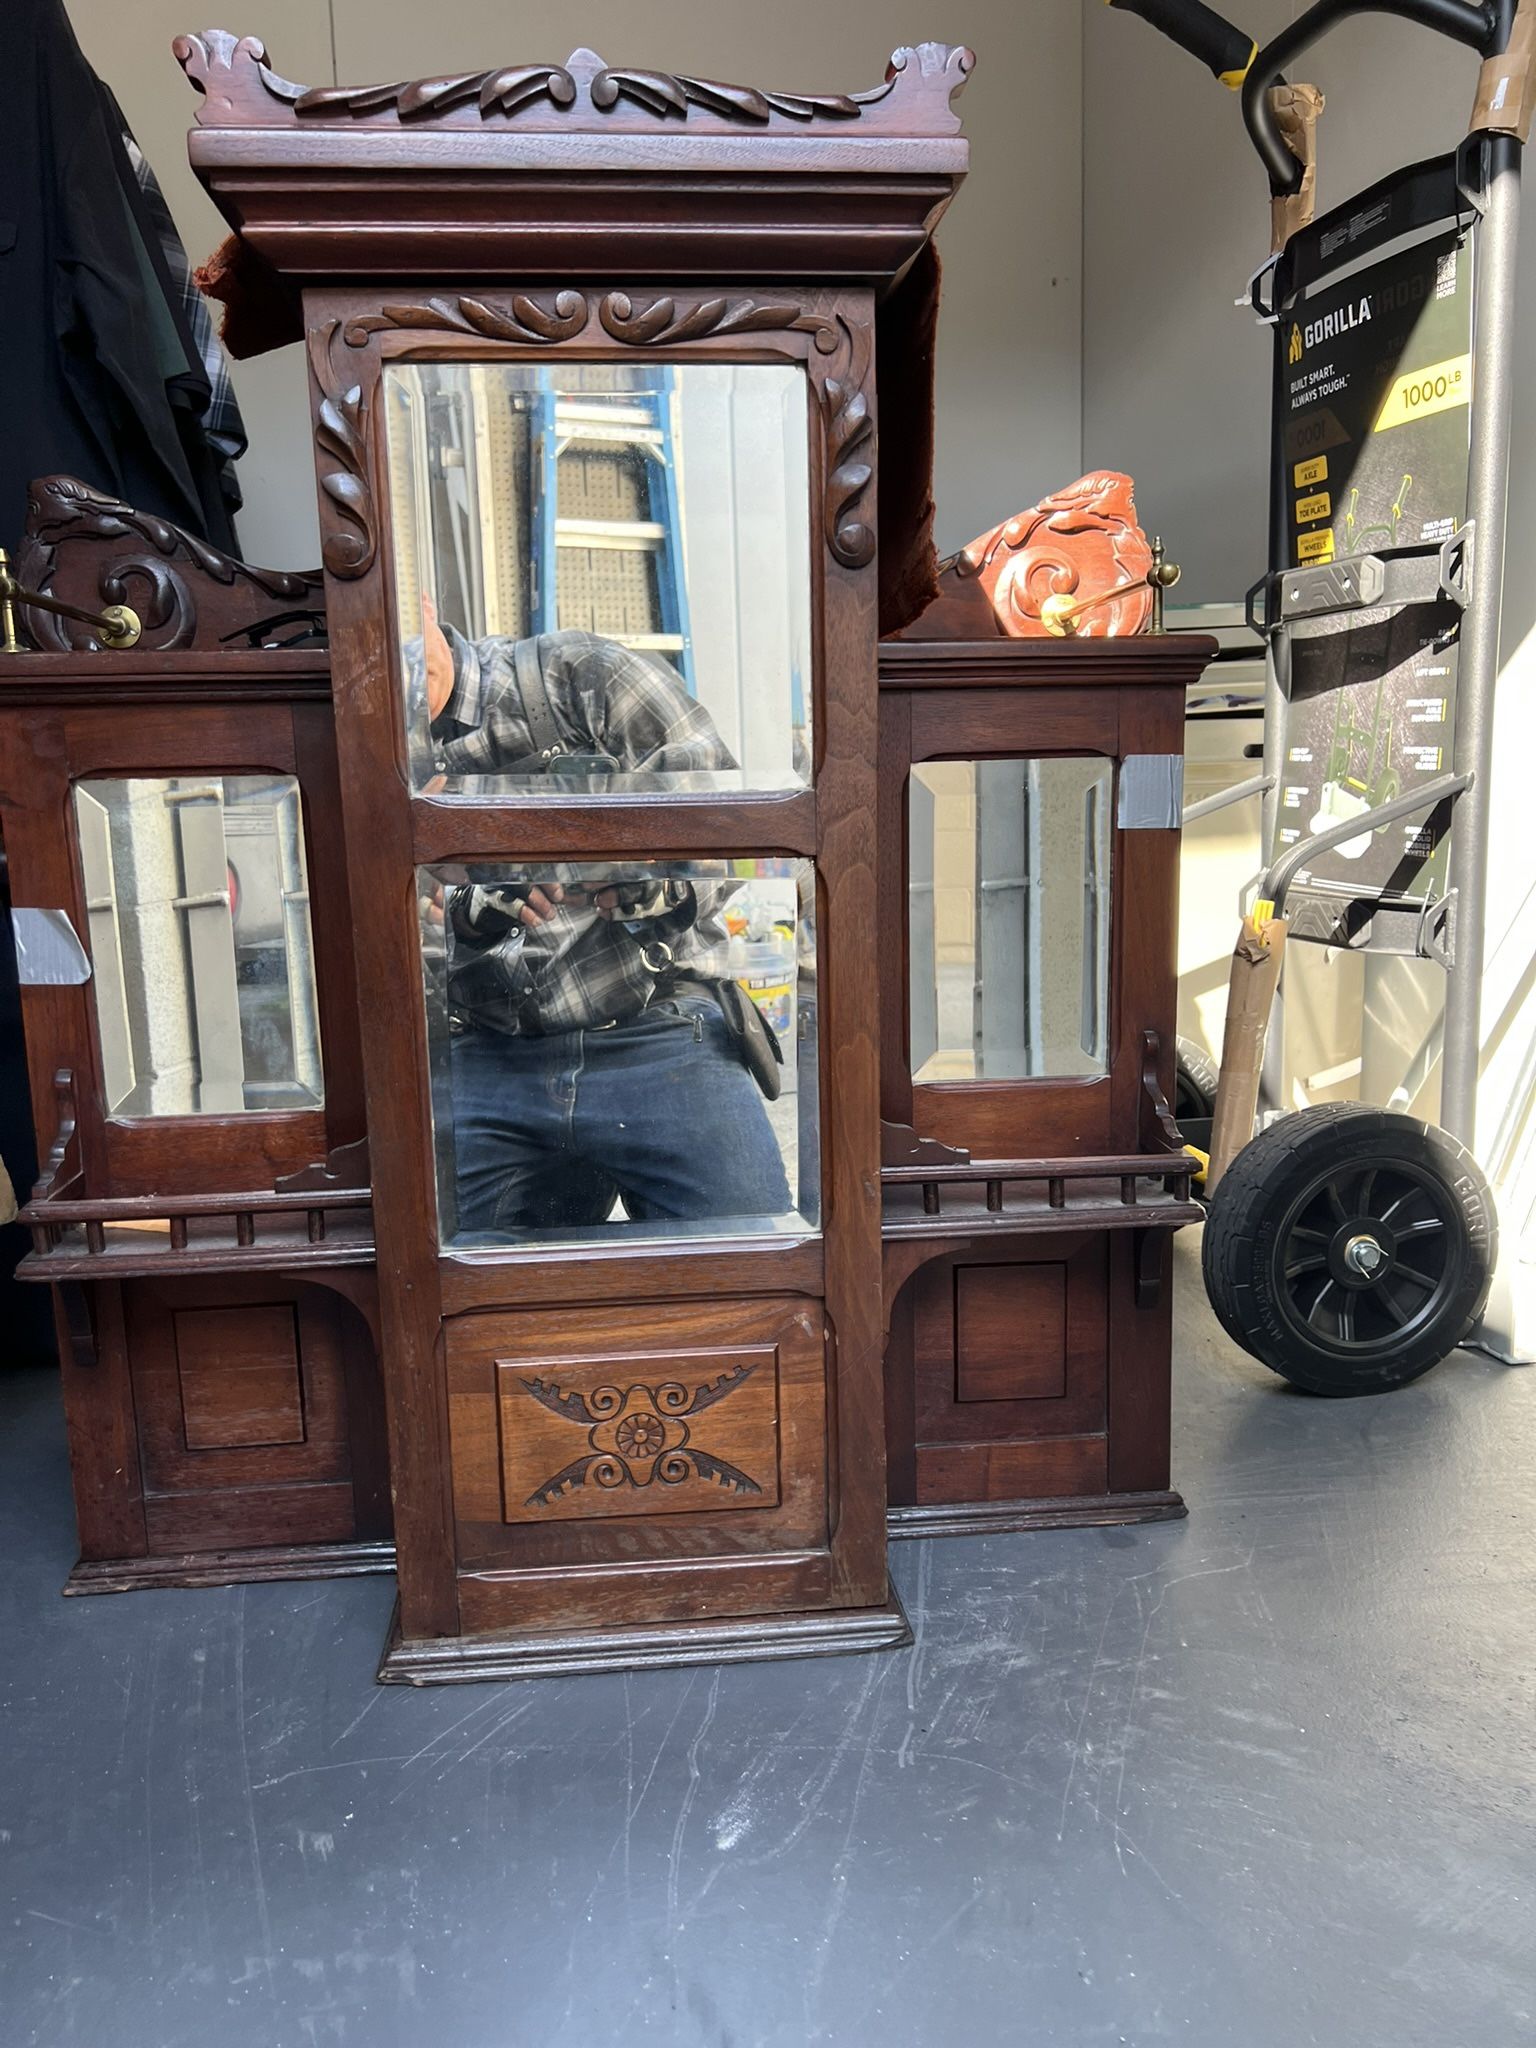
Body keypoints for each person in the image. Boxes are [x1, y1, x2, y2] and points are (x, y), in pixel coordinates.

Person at [416, 603, 793, 1237]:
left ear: (425, 606)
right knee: (436, 1281)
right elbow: (382, 943)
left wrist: (633, 877)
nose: (392, 671)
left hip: (658, 1028)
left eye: (401, 637)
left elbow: (726, 827)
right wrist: (469, 912)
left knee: (754, 1269)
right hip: (490, 1054)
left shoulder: (579, 676)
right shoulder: (371, 748)